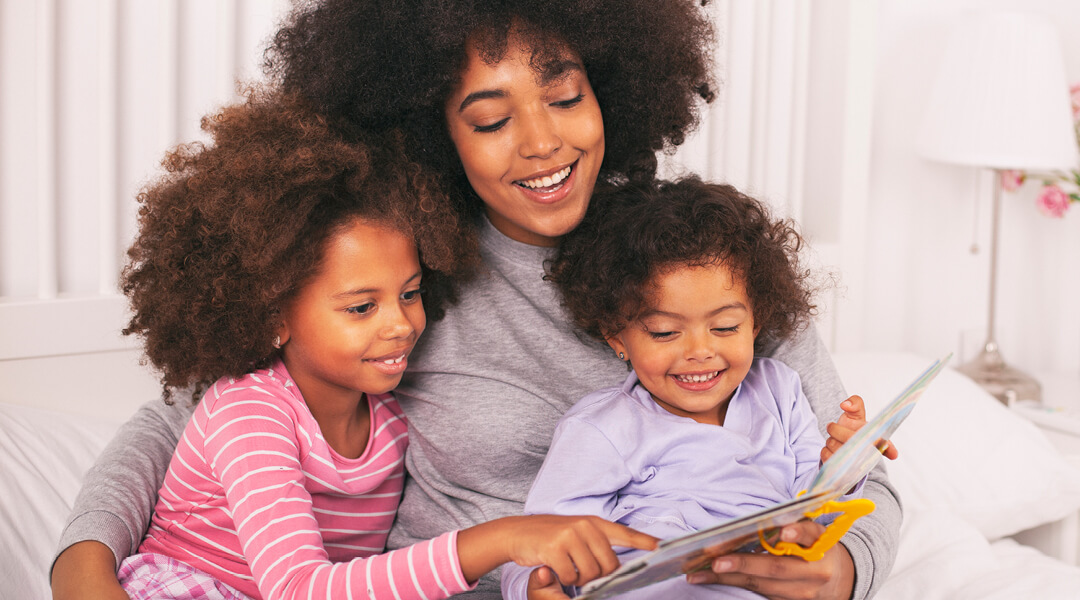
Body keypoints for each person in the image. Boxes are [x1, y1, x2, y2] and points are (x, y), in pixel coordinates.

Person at [51, 3, 902, 599]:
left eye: (565, 96)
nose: (543, 141)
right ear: (434, 129)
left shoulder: (701, 260)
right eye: (491, 120)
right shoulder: (401, 266)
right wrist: (82, 562)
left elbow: (853, 470)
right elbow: (188, 418)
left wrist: (845, 570)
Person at [104, 89, 656, 600]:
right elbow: (300, 588)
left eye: (411, 294)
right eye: (361, 307)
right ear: (274, 313)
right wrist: (502, 539)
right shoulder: (250, 413)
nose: (401, 325)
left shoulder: (390, 423)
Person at [502, 178, 891, 599]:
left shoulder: (781, 390)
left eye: (725, 327)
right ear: (618, 337)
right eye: (666, 332)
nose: (700, 352)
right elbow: (539, 540)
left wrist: (843, 464)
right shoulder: (602, 428)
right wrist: (534, 588)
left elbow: (813, 510)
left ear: (756, 322)